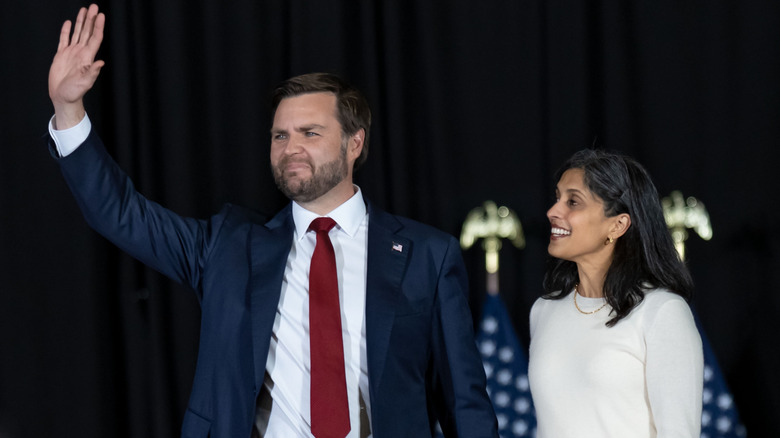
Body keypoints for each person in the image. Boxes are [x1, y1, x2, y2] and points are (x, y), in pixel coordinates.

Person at [47, 5, 498, 438]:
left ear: (354, 143)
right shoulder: (227, 246)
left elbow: (464, 404)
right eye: (280, 135)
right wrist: (68, 111)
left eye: (310, 133)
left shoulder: (427, 255)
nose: (290, 148)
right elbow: (121, 214)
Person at [528, 149, 704, 437]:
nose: (553, 211)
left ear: (618, 224)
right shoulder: (544, 310)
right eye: (557, 198)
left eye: (573, 201)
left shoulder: (662, 312)